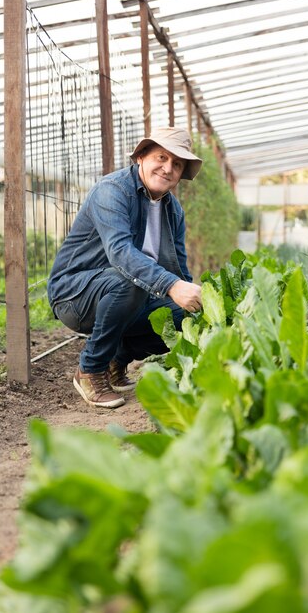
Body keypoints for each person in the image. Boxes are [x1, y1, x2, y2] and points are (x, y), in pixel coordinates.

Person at [47, 126, 203, 408]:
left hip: (128, 296)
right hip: (76, 295)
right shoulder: (113, 191)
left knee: (186, 315)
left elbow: (179, 268)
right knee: (130, 280)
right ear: (141, 157)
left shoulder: (173, 210)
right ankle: (90, 368)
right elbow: (120, 254)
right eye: (161, 158)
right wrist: (171, 285)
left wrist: (193, 301)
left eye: (177, 164)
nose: (168, 168)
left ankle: (117, 360)